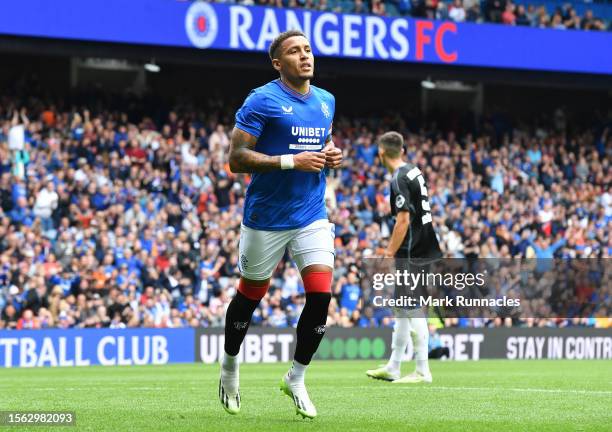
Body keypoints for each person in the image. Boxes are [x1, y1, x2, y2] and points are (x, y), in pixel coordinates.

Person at [218, 30, 342, 419]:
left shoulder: (326, 101)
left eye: (307, 49)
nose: (304, 56)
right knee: (250, 296)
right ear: (278, 63)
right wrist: (293, 161)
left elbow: (318, 146)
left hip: (310, 214)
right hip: (266, 219)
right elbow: (236, 158)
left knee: (321, 295)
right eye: (294, 51)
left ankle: (297, 376)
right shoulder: (263, 99)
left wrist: (329, 154)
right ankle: (229, 364)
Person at [366, 131, 442, 384]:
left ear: (381, 152)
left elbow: (403, 219)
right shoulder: (414, 171)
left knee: (411, 307)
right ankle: (394, 366)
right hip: (424, 245)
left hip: (411, 249)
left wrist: (389, 253)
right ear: (402, 150)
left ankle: (422, 370)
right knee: (401, 309)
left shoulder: (398, 178)